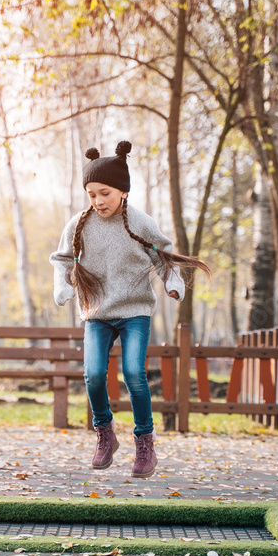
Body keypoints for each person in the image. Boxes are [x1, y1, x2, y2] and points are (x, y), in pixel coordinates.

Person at [50, 141, 210, 478]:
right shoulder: (79, 224)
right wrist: (62, 285)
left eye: (104, 193)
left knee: (134, 374)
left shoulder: (141, 223)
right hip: (96, 314)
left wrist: (174, 283)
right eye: (92, 194)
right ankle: (105, 434)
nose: (98, 201)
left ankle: (144, 442)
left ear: (122, 191)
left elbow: (164, 256)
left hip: (135, 311)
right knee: (93, 375)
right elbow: (62, 259)